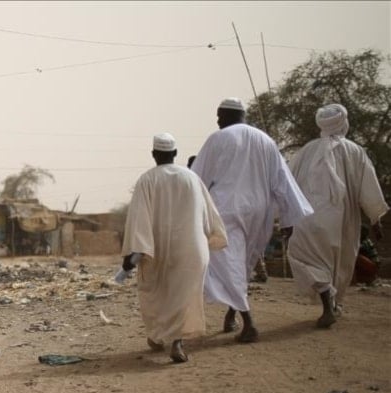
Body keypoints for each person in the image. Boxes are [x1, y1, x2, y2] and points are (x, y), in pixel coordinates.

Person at [191, 97, 313, 343]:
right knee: (242, 263)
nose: (217, 120)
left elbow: (197, 178)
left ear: (228, 115)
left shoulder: (218, 138)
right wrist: (289, 218)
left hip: (227, 208)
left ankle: (249, 323)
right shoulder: (266, 140)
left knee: (225, 261)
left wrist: (187, 210)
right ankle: (231, 314)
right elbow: (283, 181)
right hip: (260, 210)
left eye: (219, 115)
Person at [121, 133, 228, 362]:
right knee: (183, 295)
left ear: (154, 154)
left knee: (157, 293)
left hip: (158, 251)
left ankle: (159, 336)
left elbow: (140, 220)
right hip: (192, 249)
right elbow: (208, 217)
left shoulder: (147, 180)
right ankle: (175, 341)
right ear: (175, 153)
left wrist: (133, 253)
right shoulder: (192, 178)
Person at [286, 104, 388, 327]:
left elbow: (288, 182)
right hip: (343, 221)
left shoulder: (306, 151)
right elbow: (368, 189)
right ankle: (331, 305)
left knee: (305, 257)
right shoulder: (355, 151)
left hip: (309, 219)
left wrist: (285, 216)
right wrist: (375, 218)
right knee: (339, 263)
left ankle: (329, 304)